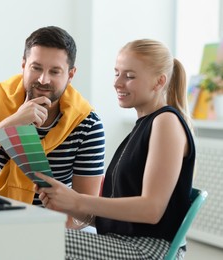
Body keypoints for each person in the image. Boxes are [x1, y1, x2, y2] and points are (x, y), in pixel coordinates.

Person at [35, 39, 195, 259]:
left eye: (129, 76)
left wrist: (78, 200)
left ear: (159, 82)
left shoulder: (165, 122)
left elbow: (151, 210)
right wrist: (69, 204)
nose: (117, 83)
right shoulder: (141, 128)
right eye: (116, 73)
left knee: (40, 239)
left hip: (148, 249)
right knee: (40, 234)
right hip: (121, 241)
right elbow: (120, 217)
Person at [0, 26, 105, 227]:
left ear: (71, 74)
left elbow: (87, 214)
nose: (43, 80)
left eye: (55, 71)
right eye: (36, 68)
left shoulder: (87, 124)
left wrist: (65, 220)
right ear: (23, 65)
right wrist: (12, 123)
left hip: (51, 228)